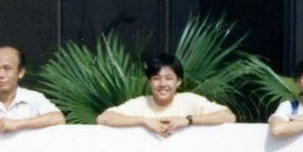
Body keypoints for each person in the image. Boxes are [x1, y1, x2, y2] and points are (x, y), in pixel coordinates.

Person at [96, 52, 235, 137]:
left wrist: (188, 120)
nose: (162, 84)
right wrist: (144, 121)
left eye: (169, 78)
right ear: (149, 82)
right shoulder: (140, 103)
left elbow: (229, 116)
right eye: (156, 78)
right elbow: (103, 118)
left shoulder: (190, 100)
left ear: (178, 82)